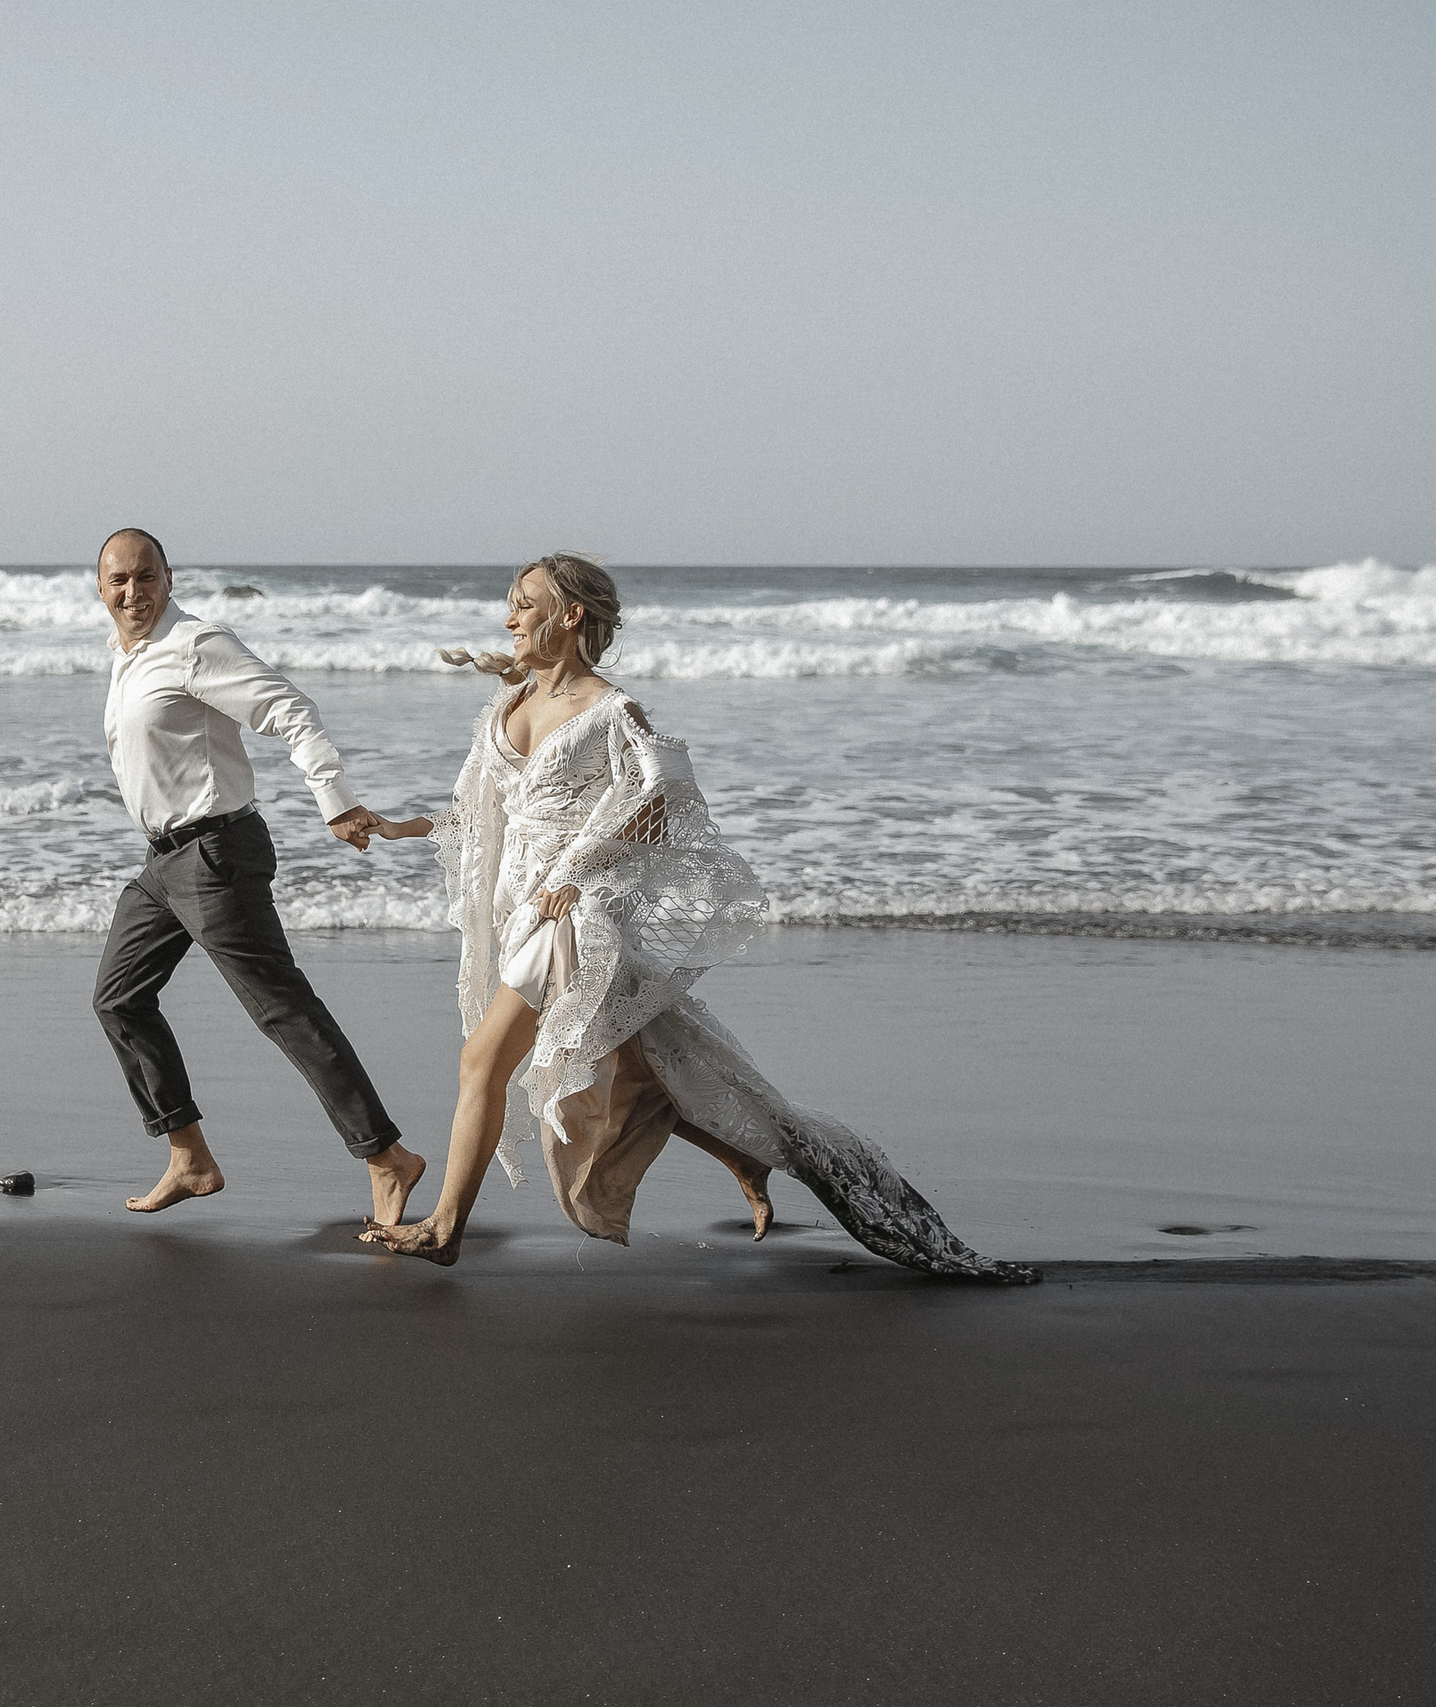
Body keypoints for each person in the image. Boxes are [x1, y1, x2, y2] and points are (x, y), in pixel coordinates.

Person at [358, 552, 1035, 1283]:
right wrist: (399, 827)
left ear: (571, 614)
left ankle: (445, 1227)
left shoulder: (610, 710)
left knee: (482, 1063)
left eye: (525, 603)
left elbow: (663, 802)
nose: (508, 619)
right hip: (525, 910)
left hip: (575, 920)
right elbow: (483, 814)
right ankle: (756, 1154)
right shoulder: (509, 702)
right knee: (647, 1066)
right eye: (511, 603)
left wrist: (576, 870)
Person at [90, 528, 426, 1226]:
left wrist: (335, 800)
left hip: (216, 854)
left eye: (146, 576)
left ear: (169, 578)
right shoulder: (127, 656)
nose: (133, 591)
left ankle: (386, 1156)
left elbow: (290, 709)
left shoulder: (194, 644)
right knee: (119, 999)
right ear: (101, 588)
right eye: (119, 580)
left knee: (282, 1010)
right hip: (163, 863)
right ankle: (189, 1157)